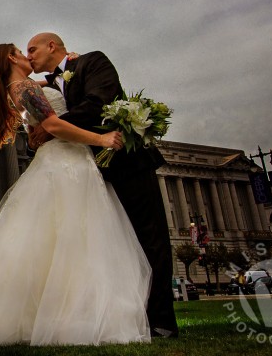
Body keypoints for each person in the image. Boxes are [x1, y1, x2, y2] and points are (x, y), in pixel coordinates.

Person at [0, 43, 151, 346]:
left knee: (61, 242)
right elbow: (53, 124)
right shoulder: (23, 87)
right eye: (23, 51)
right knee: (75, 239)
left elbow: (56, 87)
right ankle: (74, 316)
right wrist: (102, 138)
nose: (29, 56)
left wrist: (68, 66)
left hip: (64, 160)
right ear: (11, 57)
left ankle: (66, 314)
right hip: (64, 162)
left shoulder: (25, 86)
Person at [26, 32, 178, 338]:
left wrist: (52, 128)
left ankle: (161, 320)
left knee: (150, 240)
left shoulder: (93, 61)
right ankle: (127, 315)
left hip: (127, 162)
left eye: (32, 49)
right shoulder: (53, 83)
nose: (28, 55)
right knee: (117, 246)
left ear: (51, 46)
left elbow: (99, 104)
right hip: (91, 173)